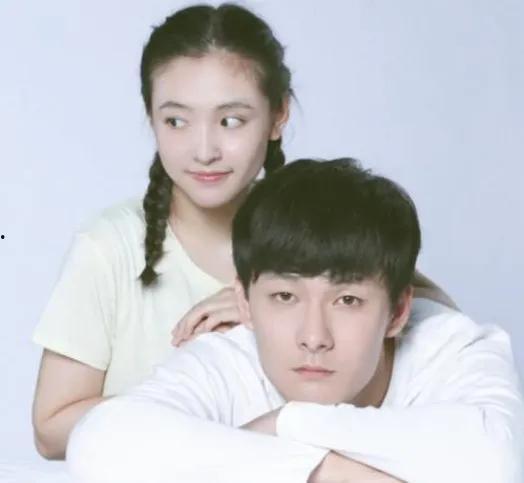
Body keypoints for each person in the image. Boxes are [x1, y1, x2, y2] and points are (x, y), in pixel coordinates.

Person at [31, 3, 454, 460]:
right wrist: (195, 404)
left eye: (231, 120)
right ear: (150, 117)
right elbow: (50, 431)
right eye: (176, 121)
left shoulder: (310, 222)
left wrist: (272, 301)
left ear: (278, 115)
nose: (204, 150)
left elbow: (432, 318)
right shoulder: (109, 247)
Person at [67, 158, 524, 483]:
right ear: (244, 302)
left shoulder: (450, 346)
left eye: (348, 300)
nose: (313, 337)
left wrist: (290, 423)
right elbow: (100, 444)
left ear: (399, 311)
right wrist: (325, 472)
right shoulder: (232, 354)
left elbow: (498, 465)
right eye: (284, 297)